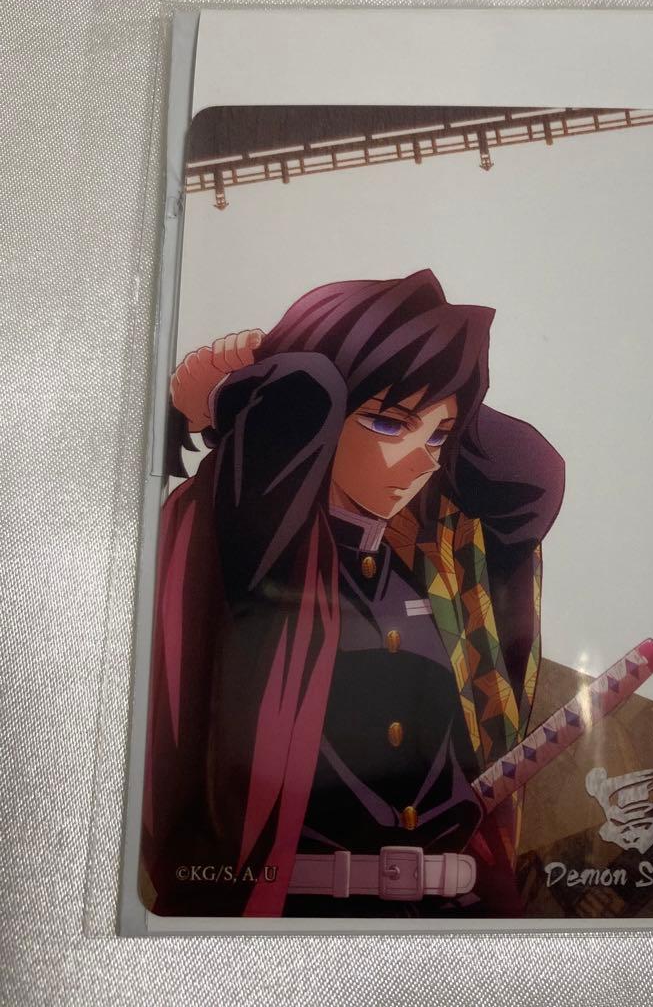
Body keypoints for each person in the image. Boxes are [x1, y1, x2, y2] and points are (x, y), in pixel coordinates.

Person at [141, 270, 564, 917]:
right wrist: (230, 394)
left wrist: (439, 383)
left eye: (440, 435)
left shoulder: (429, 569)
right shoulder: (255, 545)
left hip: (446, 919)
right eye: (390, 424)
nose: (424, 460)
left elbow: (529, 476)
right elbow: (304, 394)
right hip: (291, 922)